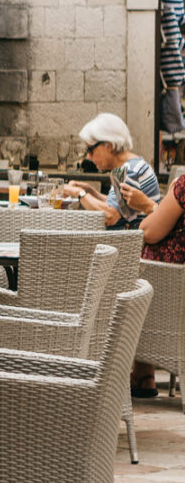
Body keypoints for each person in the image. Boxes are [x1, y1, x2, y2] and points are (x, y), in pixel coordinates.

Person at [134, 172, 185, 396]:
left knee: (129, 278)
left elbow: (149, 232)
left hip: (170, 296)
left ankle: (142, 374)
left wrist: (153, 208)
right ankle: (144, 374)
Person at [63, 113, 160, 229]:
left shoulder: (130, 172)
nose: (88, 157)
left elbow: (110, 216)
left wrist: (79, 193)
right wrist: (89, 191)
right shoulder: (131, 166)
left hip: (126, 245)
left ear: (108, 146)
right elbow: (119, 206)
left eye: (90, 150)